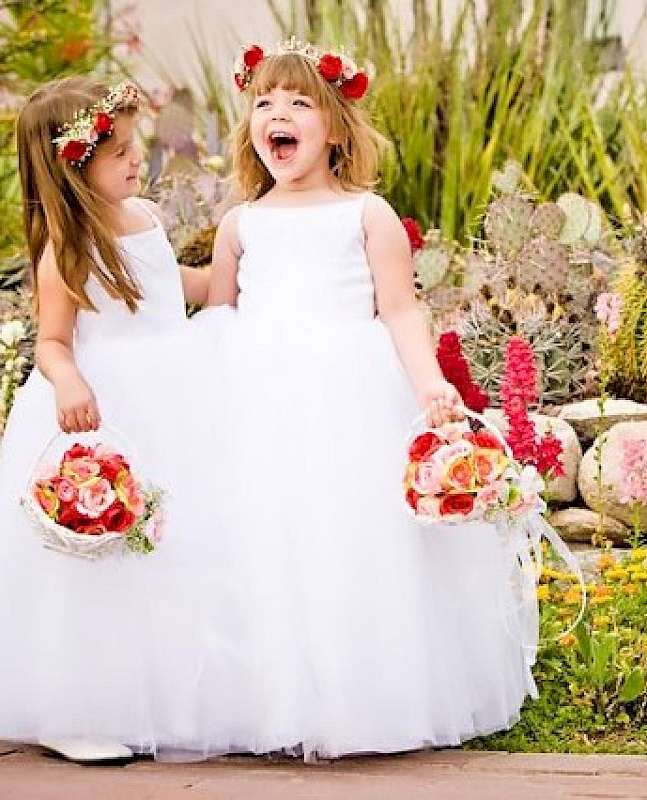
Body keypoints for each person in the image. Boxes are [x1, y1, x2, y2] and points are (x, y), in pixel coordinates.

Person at [203, 40, 538, 759]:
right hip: (257, 401)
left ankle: (359, 696)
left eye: (298, 103)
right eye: (264, 103)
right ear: (249, 128)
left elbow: (399, 311)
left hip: (346, 398)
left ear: (334, 127)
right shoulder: (240, 225)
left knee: (346, 541)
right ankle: (267, 700)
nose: (278, 115)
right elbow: (218, 315)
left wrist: (430, 383)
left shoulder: (367, 214)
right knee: (265, 543)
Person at [0, 76, 227, 763]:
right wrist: (68, 375)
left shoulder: (148, 219)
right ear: (74, 166)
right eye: (121, 154)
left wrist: (235, 271)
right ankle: (75, 706)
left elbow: (174, 286)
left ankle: (164, 694)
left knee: (168, 550)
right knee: (94, 562)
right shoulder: (67, 249)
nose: (139, 161)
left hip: (176, 397)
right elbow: (51, 340)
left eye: (136, 147)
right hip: (105, 410)